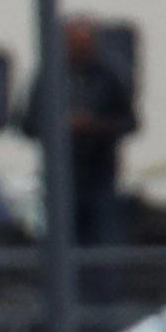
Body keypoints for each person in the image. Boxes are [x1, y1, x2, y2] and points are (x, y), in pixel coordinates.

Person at [27, 16, 137, 258]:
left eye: (84, 43)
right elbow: (28, 124)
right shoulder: (48, 77)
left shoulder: (109, 76)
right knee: (61, 247)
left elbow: (130, 122)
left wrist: (94, 126)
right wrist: (57, 127)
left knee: (104, 247)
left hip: (100, 177)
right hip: (59, 180)